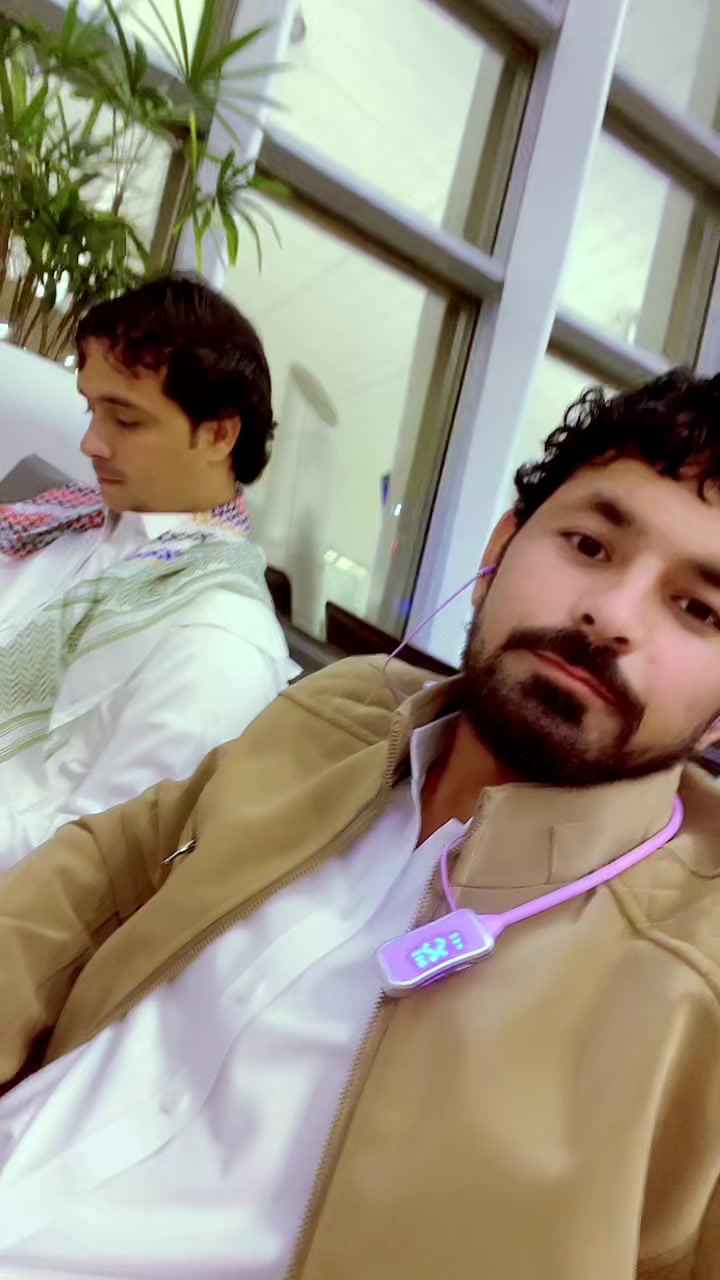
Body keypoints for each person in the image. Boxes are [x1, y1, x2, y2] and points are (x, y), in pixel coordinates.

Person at [3, 369, 720, 1279]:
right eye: (589, 544)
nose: (610, 615)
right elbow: (99, 873)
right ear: (499, 549)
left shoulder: (693, 986)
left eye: (698, 609)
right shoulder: (338, 717)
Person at [0, 273, 296, 872]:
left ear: (219, 433)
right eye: (92, 410)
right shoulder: (62, 525)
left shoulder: (220, 640)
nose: (91, 442)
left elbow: (96, 870)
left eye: (127, 421)